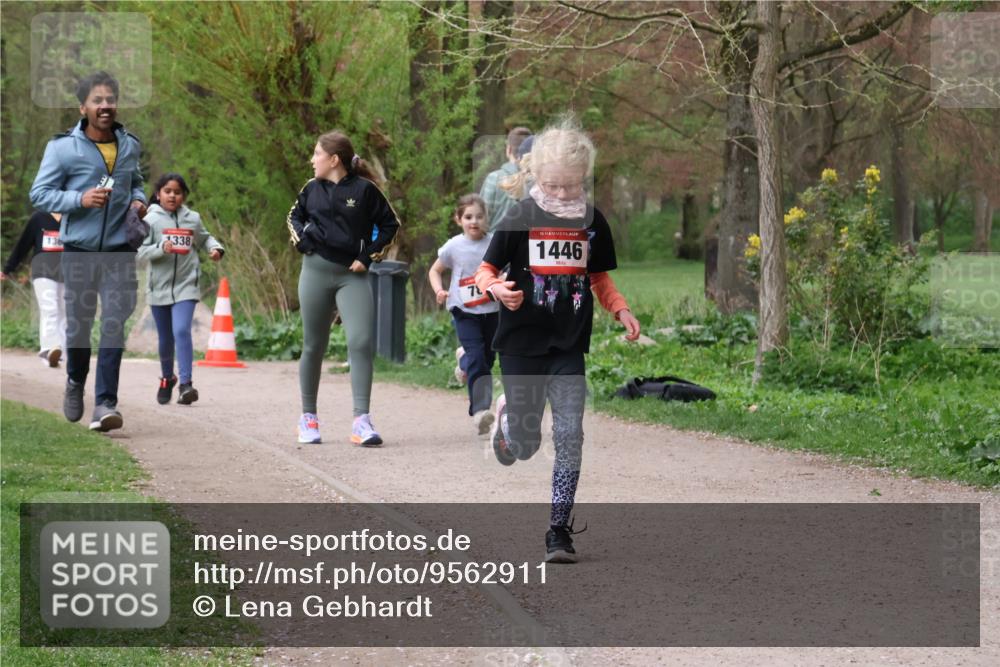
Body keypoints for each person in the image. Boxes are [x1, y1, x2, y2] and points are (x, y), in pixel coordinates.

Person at [475, 118, 641, 563]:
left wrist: (620, 308)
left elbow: (598, 277)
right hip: (521, 344)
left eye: (572, 186)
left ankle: (558, 531)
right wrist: (497, 289)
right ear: (536, 177)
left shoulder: (592, 221)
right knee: (527, 446)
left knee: (570, 434)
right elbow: (486, 271)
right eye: (554, 186)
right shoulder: (520, 215)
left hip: (568, 345)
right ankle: (509, 427)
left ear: (583, 179)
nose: (564, 195)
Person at [29, 71, 147, 432]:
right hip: (78, 251)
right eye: (97, 100)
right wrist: (79, 199)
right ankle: (75, 381)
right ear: (84, 107)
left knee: (113, 324)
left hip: (118, 253)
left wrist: (140, 201)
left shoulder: (130, 145)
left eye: (110, 99)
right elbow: (40, 194)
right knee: (79, 330)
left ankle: (106, 403)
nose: (105, 105)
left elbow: (137, 181)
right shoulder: (62, 148)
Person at [286, 130, 400, 446]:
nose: (312, 160)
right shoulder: (311, 189)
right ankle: (308, 418)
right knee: (314, 345)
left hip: (353, 275)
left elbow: (392, 225)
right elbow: (293, 218)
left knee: (361, 341)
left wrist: (368, 256)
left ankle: (361, 421)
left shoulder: (366, 191)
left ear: (333, 159)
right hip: (315, 273)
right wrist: (304, 242)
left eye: (316, 154)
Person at [138, 173, 224, 405]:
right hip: (159, 288)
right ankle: (167, 378)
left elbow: (205, 238)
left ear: (184, 196)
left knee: (181, 331)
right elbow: (140, 252)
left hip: (186, 285)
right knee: (165, 338)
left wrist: (215, 249)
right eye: (167, 191)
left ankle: (186, 384)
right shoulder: (150, 220)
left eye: (177, 192)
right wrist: (160, 247)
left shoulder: (192, 219)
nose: (172, 196)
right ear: (158, 194)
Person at [427, 194, 500, 435]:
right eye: (468, 217)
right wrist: (439, 291)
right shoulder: (453, 246)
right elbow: (434, 271)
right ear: (458, 219)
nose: (474, 221)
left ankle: (464, 361)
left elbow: (505, 269)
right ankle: (481, 412)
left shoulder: (494, 243)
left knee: (487, 360)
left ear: (486, 218)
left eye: (479, 216)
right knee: (479, 358)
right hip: (464, 310)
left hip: (492, 310)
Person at [1, 210, 67, 367]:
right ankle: (48, 349)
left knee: (65, 312)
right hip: (43, 271)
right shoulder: (38, 218)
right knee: (49, 309)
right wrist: (8, 268)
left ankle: (61, 353)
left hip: (68, 272)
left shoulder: (72, 217)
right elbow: (23, 244)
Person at [480, 127, 532, 231]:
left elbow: (480, 218)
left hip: (494, 243)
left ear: (508, 149)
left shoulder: (494, 178)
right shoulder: (539, 182)